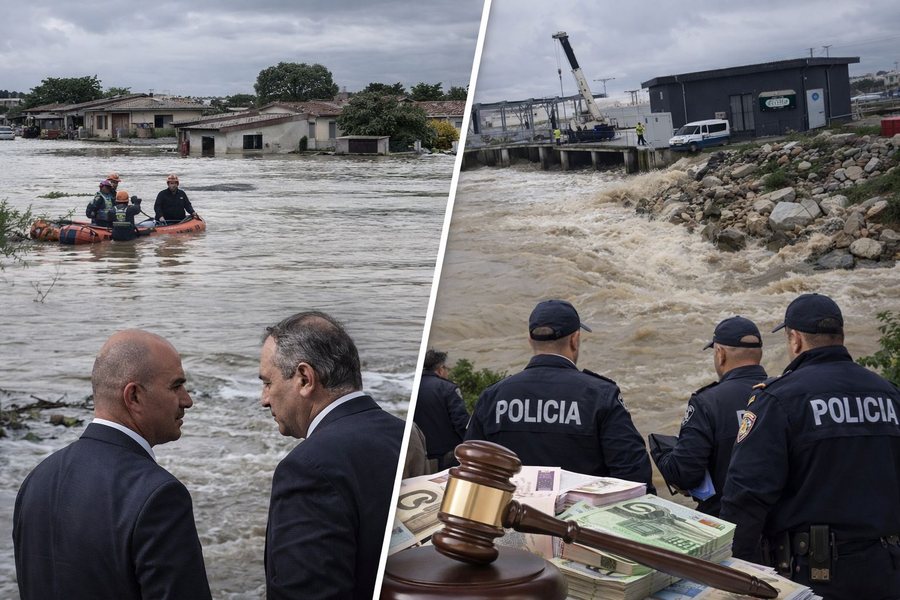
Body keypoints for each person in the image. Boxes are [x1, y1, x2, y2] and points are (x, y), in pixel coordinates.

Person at [721, 293, 900, 598]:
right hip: (888, 573)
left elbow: (746, 497)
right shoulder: (889, 395)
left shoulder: (778, 399)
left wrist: (739, 577)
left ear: (795, 340)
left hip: (812, 578)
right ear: (840, 336)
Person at [13, 330, 212, 600]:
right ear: (134, 397)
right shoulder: (159, 495)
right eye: (176, 386)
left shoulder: (37, 478)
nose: (187, 400)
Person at [259, 311, 404, 600]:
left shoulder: (307, 469)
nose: (264, 399)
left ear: (305, 378)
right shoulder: (404, 433)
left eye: (267, 382)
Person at [465, 299, 654, 490]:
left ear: (530, 340)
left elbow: (469, 468)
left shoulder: (492, 397)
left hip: (510, 507)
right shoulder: (600, 395)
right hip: (583, 509)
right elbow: (634, 475)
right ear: (574, 340)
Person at [651, 316, 767, 516]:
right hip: (778, 519)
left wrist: (662, 455)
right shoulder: (784, 393)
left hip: (724, 520)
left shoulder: (707, 402)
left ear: (720, 354)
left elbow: (685, 475)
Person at [413, 349, 469, 471]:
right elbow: (461, 422)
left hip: (419, 456)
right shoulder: (447, 388)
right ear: (440, 369)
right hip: (447, 456)